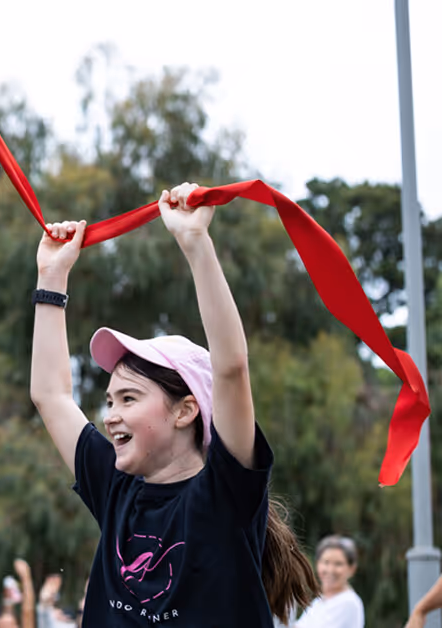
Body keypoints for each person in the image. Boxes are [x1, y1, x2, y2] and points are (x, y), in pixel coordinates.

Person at [28, 183, 319, 625]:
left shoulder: (225, 492)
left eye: (129, 398)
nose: (110, 416)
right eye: (109, 400)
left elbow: (232, 368)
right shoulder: (116, 487)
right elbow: (50, 395)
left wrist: (196, 243)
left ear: (186, 411)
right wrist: (51, 278)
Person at [294, 535, 363, 627]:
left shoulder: (349, 602)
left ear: (352, 569)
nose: (330, 570)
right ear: (317, 564)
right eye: (326, 562)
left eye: (338, 564)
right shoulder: (318, 602)